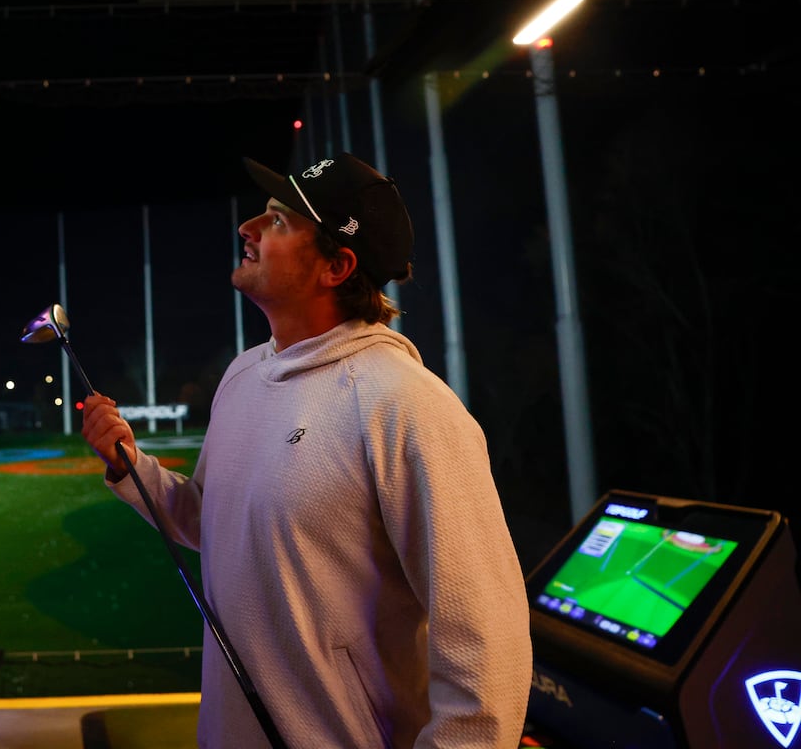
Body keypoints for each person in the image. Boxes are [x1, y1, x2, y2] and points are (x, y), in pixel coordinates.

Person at [81, 152, 532, 749]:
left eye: (279, 221)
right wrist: (130, 467)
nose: (249, 228)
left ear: (337, 266)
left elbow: (486, 640)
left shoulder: (409, 406)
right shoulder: (243, 376)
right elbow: (211, 522)